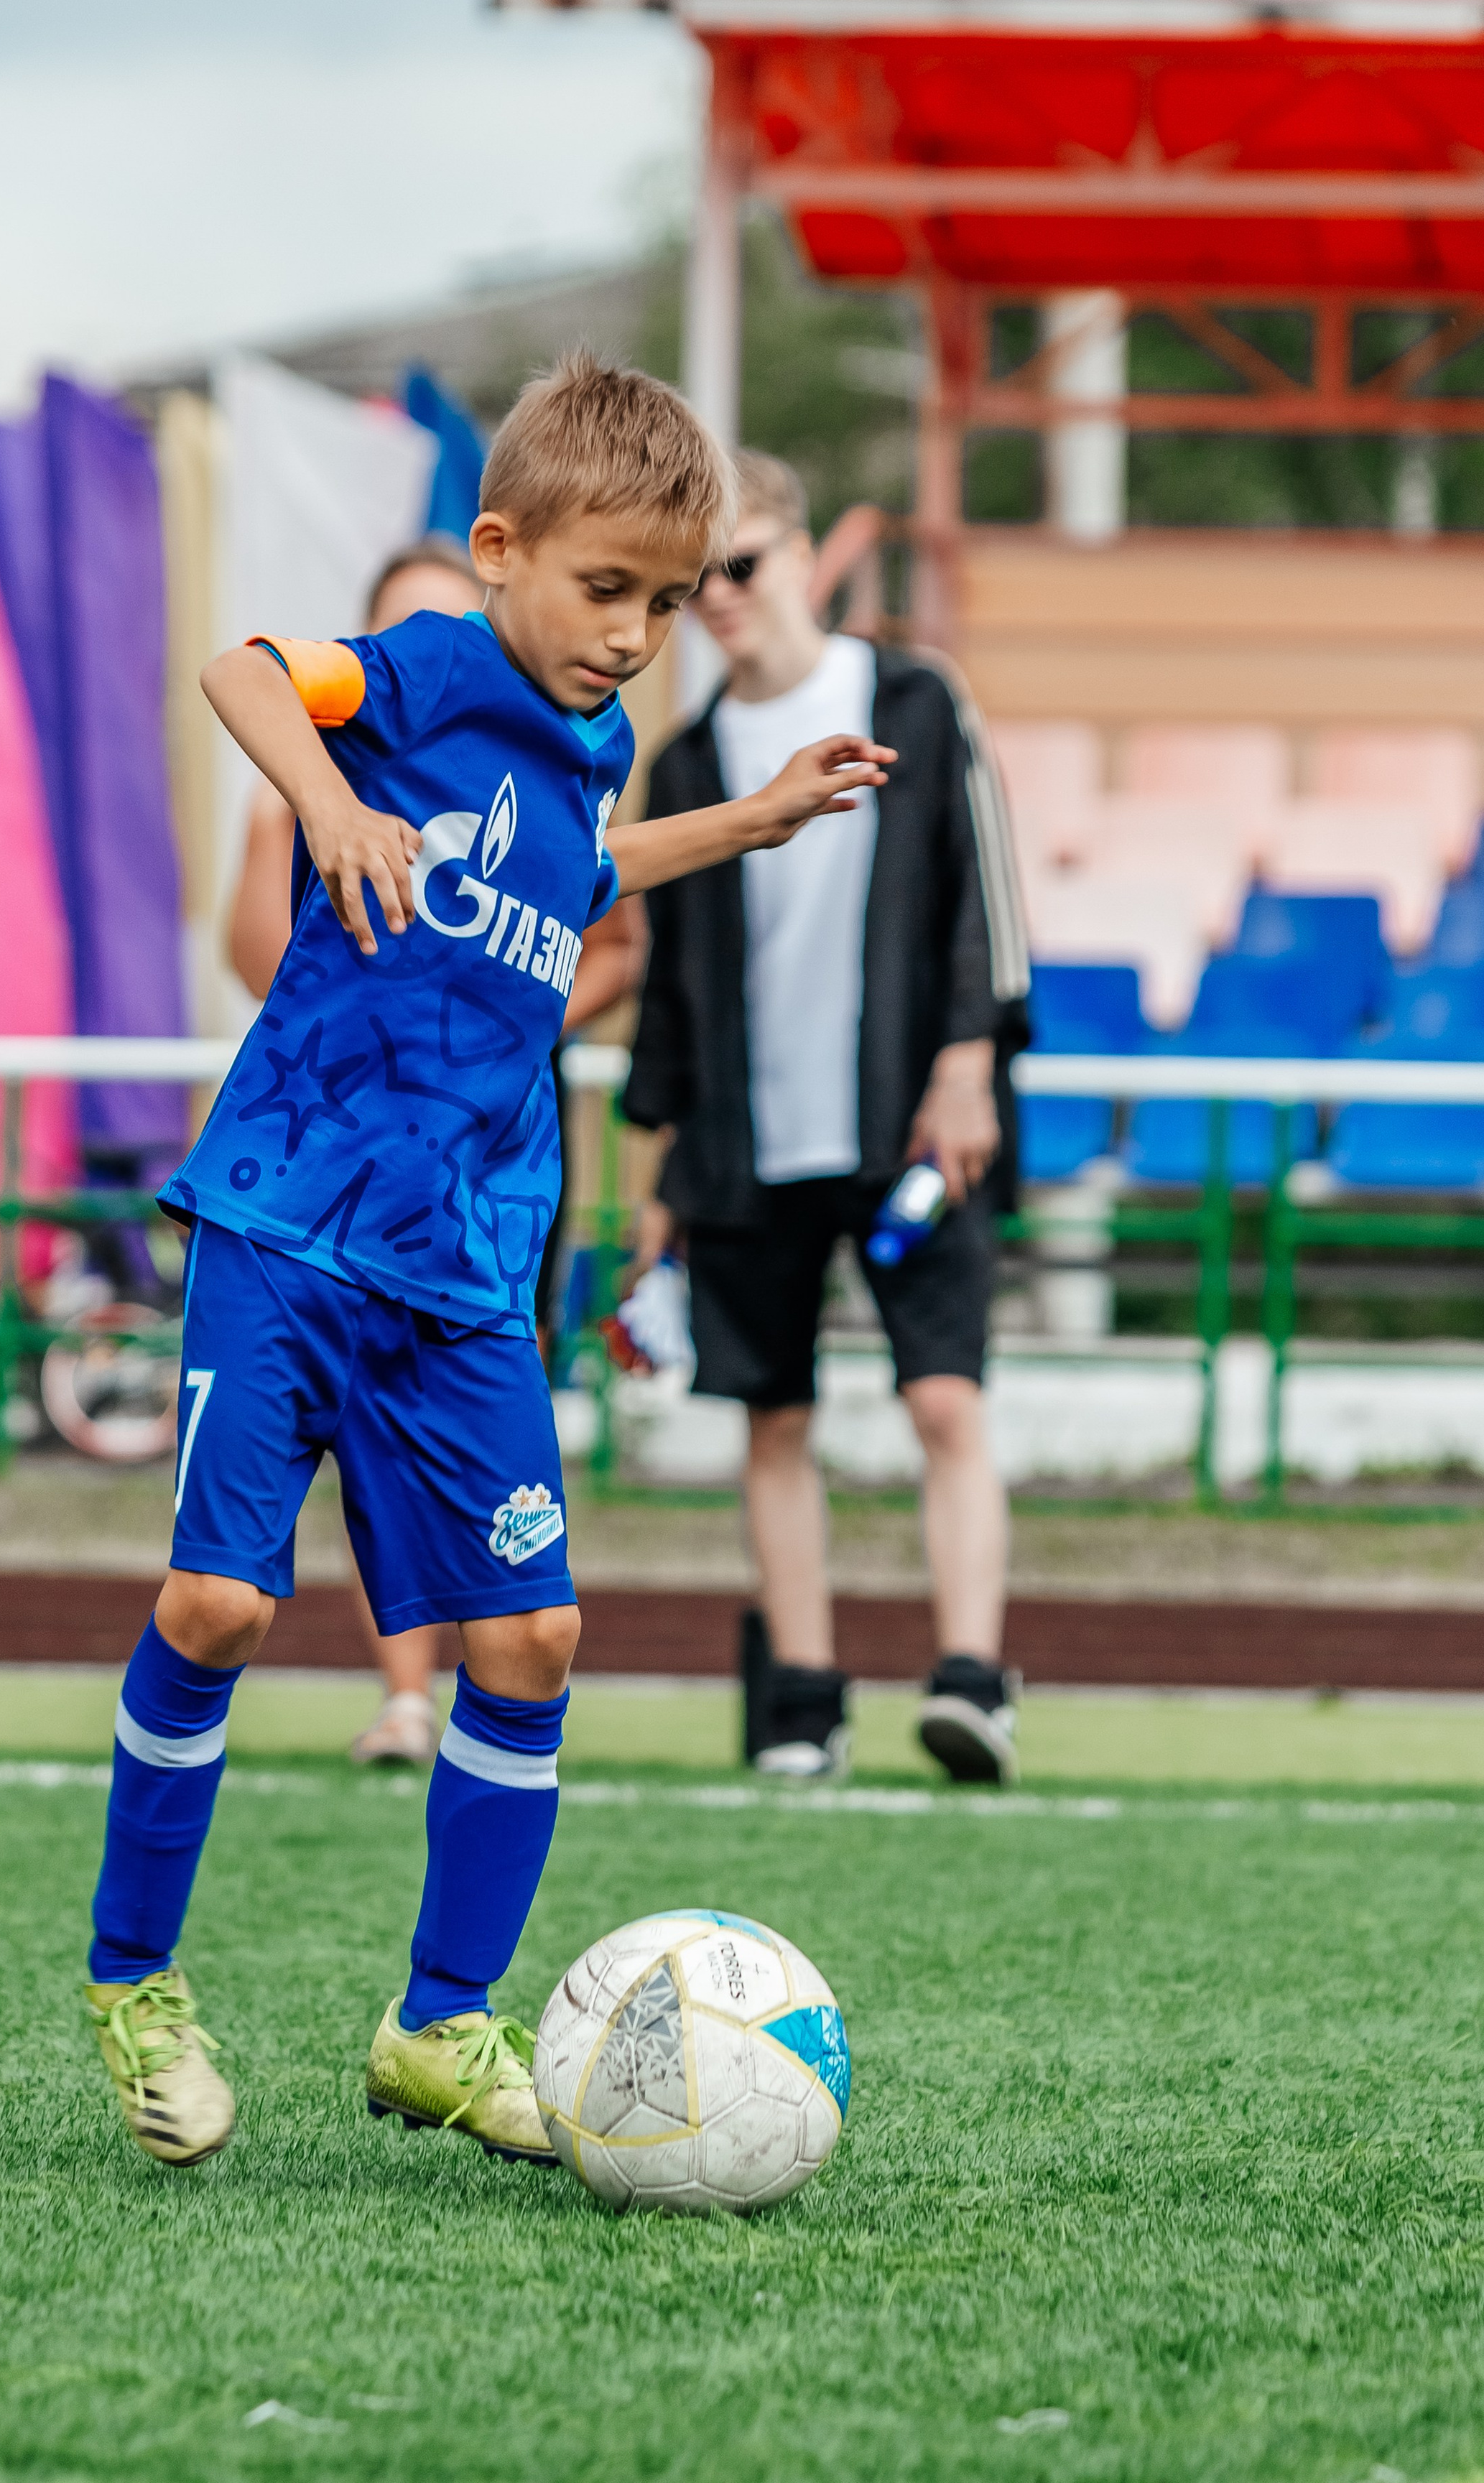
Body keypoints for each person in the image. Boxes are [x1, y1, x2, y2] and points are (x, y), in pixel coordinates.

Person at [80, 355, 892, 2168]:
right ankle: (134, 1982)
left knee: (529, 1637)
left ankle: (440, 2026)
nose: (635, 634)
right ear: (501, 548)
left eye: (668, 604)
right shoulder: (437, 662)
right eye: (606, 589)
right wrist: (332, 804)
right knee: (218, 1607)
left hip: (461, 1270)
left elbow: (581, 871)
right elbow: (245, 673)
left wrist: (746, 823)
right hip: (291, 1223)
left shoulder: (591, 743)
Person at [624, 449, 1030, 1787]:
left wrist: (968, 1060)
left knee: (945, 1400)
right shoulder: (681, 763)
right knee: (773, 1418)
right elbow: (670, 994)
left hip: (912, 1129)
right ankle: (802, 1695)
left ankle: (972, 1678)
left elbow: (984, 892)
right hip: (746, 1143)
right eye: (693, 586)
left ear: (804, 554)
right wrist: (658, 1174)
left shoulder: (911, 696)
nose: (722, 599)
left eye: (738, 565)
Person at [223, 534, 646, 1769]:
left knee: (484, 1492)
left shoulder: (572, 762)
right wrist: (323, 811)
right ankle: (404, 1687)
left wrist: (491, 1008)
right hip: (334, 1174)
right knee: (302, 1494)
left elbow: (604, 924)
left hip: (489, 1179)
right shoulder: (326, 767)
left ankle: (481, 1680)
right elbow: (259, 955)